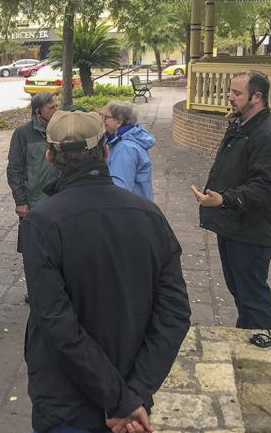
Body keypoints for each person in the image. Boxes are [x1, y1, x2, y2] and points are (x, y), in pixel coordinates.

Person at [22, 110, 191, 433]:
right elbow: (175, 313)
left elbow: (56, 322)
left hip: (67, 403)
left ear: (49, 156)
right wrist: (134, 394)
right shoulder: (150, 215)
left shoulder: (42, 223)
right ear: (105, 151)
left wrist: (120, 400)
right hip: (130, 395)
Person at [191, 69, 271, 333]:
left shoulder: (268, 135)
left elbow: (265, 186)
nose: (230, 97)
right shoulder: (241, 125)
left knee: (252, 294)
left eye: (236, 93)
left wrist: (225, 199)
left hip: (251, 231)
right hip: (233, 224)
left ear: (256, 97)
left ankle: (261, 342)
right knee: (240, 291)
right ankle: (246, 335)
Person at [7, 92, 61, 302]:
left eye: (57, 106)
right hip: (33, 203)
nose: (56, 110)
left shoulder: (61, 131)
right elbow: (14, 169)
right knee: (33, 251)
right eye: (51, 108)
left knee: (59, 248)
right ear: (38, 112)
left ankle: (58, 286)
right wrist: (20, 200)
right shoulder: (23, 134)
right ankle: (36, 289)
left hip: (59, 200)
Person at [102, 100, 156, 200]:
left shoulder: (125, 148)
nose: (103, 121)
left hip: (133, 210)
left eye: (106, 117)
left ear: (119, 122)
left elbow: (120, 191)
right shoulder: (123, 139)